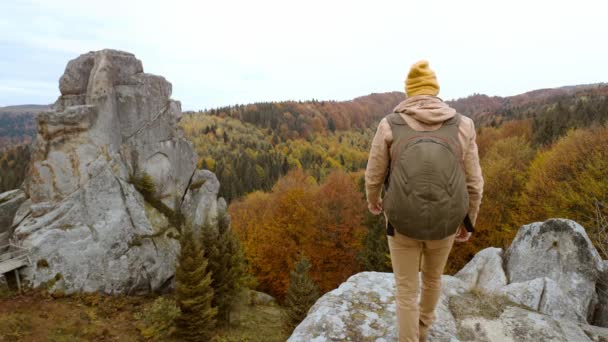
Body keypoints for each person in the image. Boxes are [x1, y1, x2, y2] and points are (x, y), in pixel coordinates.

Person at [364, 60, 484, 342]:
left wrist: (373, 199)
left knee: (405, 288)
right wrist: (469, 221)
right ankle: (423, 330)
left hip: (401, 221)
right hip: (445, 222)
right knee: (432, 279)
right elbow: (474, 183)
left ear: (409, 92)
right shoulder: (463, 125)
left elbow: (374, 173)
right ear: (434, 91)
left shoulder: (390, 124)